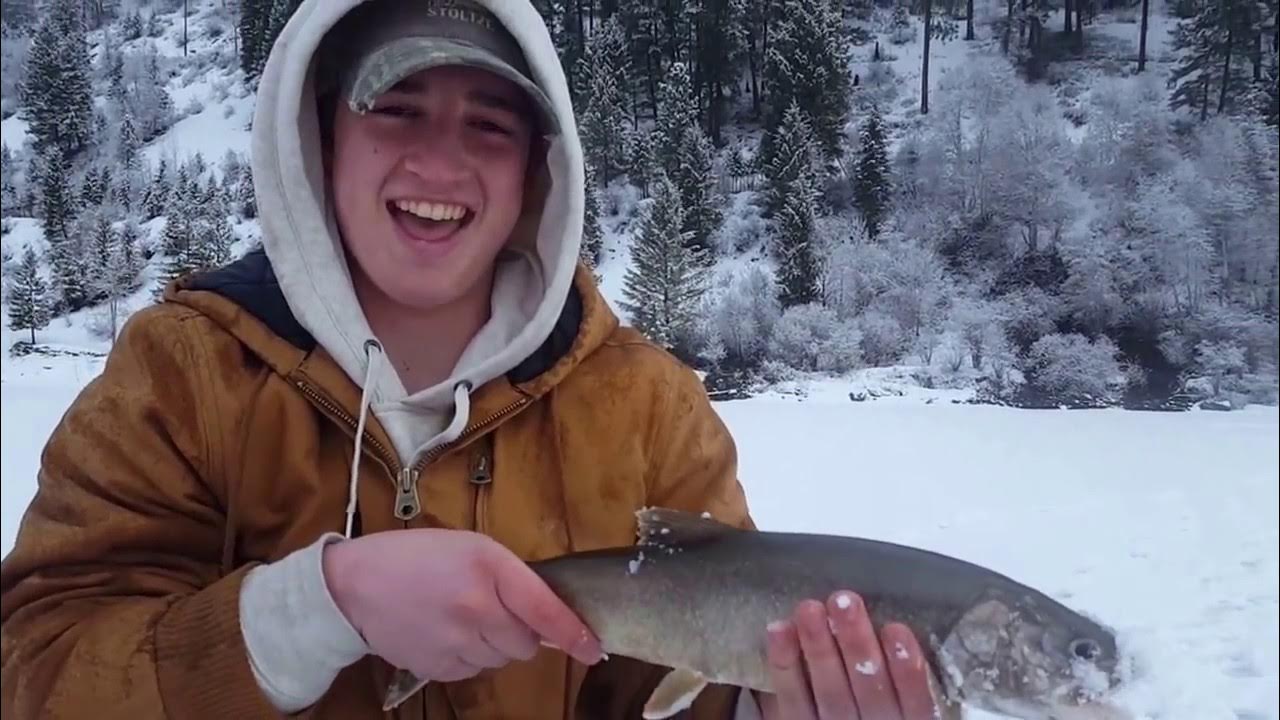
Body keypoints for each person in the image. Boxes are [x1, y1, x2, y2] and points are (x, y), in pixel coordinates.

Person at [0, 0, 942, 717]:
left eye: (489, 125)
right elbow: (37, 671)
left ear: (539, 167)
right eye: (396, 109)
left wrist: (774, 704)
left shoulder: (653, 407)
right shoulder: (180, 372)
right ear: (319, 139)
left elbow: (671, 693)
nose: (441, 166)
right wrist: (321, 606)